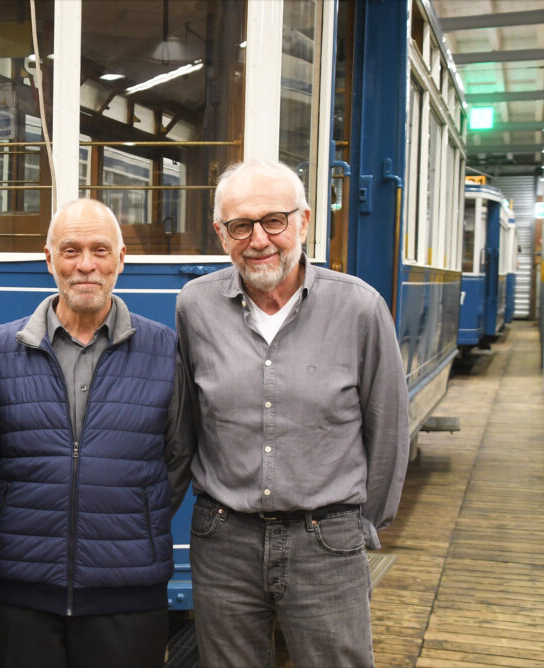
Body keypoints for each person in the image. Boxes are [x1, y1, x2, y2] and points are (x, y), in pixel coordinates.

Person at [169, 160, 409, 667]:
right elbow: (185, 425)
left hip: (325, 541)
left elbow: (388, 430)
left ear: (303, 221)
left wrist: (359, 528)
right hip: (224, 539)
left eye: (273, 221)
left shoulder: (360, 308)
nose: (258, 239)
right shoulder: (195, 306)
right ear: (221, 233)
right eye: (240, 225)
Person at [0, 199, 177, 668]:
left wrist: (137, 514)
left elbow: (181, 455)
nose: (85, 265)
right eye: (70, 250)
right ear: (49, 260)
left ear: (121, 259)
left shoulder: (167, 349)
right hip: (24, 592)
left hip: (129, 594)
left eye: (100, 250)